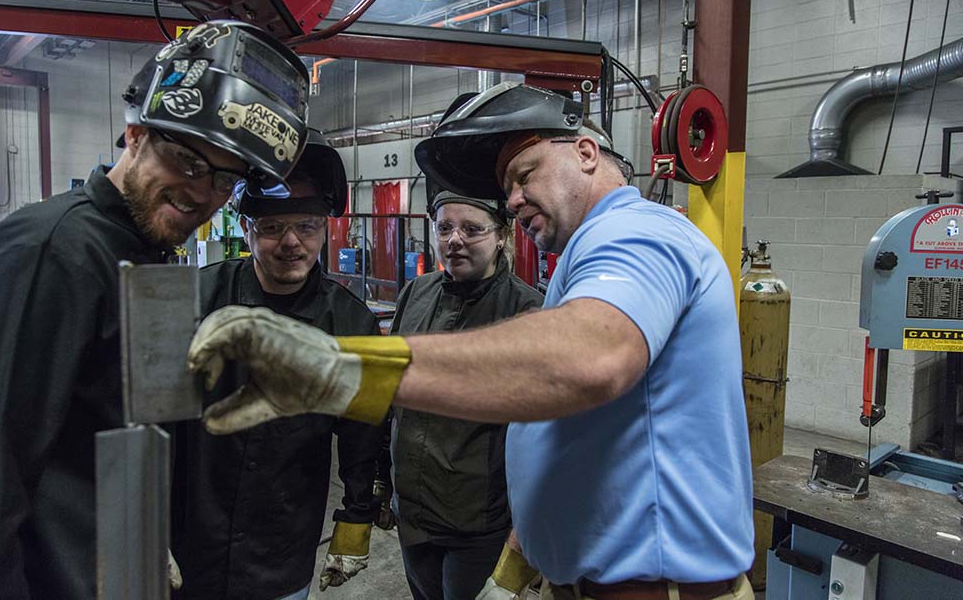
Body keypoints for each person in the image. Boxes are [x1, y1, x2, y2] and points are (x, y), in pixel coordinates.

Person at [187, 82, 756, 600]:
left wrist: (336, 369)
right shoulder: (581, 261)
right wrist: (522, 553)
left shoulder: (635, 232)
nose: (511, 199)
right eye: (506, 188)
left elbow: (591, 359)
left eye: (524, 174)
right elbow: (581, 439)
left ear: (585, 153)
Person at [0, 19, 310, 600]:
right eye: (188, 160)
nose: (202, 192)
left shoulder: (145, 253)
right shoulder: (51, 251)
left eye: (225, 179)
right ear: (136, 133)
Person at [171, 130, 384, 600]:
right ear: (246, 230)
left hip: (280, 552)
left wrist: (355, 519)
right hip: (188, 545)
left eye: (306, 227)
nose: (291, 243)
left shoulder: (350, 321)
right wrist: (145, 518)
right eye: (271, 228)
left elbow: (362, 435)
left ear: (325, 229)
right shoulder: (195, 299)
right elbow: (152, 415)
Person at [389, 188, 542, 600]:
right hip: (412, 514)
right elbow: (389, 394)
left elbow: (544, 439)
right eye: (445, 228)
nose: (454, 239)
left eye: (472, 229)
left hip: (478, 525)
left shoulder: (527, 312)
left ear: (502, 235)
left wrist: (523, 538)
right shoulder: (416, 294)